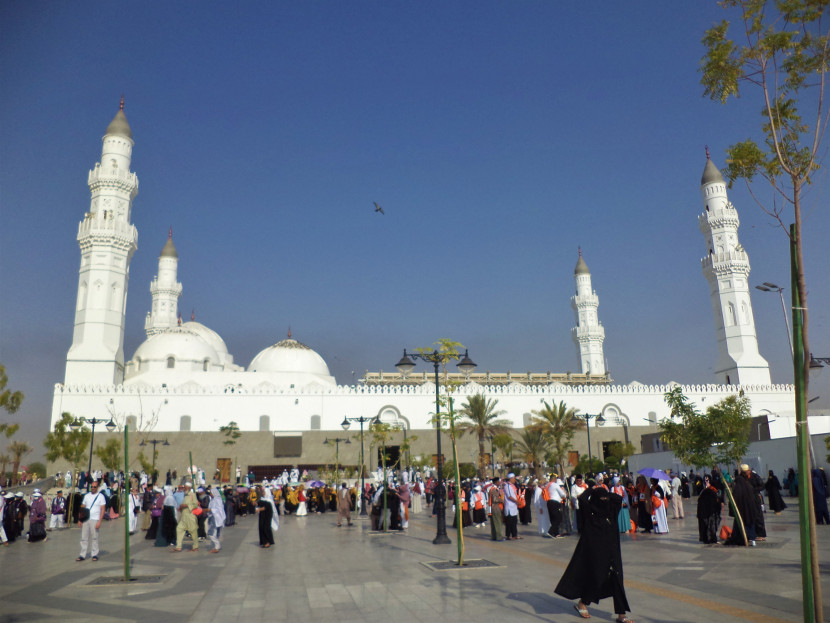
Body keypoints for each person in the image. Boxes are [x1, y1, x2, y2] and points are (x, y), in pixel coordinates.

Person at [554, 482, 634, 623]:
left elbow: (617, 498)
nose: (604, 501)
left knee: (617, 581)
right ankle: (583, 603)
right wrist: (593, 489)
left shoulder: (612, 511)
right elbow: (583, 499)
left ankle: (622, 615)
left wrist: (603, 492)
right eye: (601, 499)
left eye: (605, 499)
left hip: (613, 553)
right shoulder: (590, 513)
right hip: (596, 553)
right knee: (596, 579)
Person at [724, 465, 762, 546]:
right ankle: (752, 540)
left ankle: (743, 538)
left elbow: (734, 499)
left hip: (741, 510)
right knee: (749, 524)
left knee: (740, 525)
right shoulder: (747, 486)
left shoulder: (738, 487)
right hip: (749, 510)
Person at [77, 481, 106, 561]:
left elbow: (103, 509)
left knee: (94, 537)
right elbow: (83, 508)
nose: (93, 488)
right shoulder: (86, 496)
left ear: (97, 488)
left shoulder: (101, 496)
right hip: (86, 519)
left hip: (95, 519)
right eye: (92, 487)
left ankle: (94, 554)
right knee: (84, 537)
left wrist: (100, 521)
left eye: (94, 487)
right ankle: (82, 554)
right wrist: (80, 519)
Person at [174, 482, 199, 552]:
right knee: (179, 529)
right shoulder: (185, 495)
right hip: (184, 516)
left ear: (189, 488)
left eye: (185, 487)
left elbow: (196, 504)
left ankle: (195, 546)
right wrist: (181, 507)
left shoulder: (192, 495)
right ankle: (178, 546)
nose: (184, 488)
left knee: (193, 531)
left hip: (190, 516)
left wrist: (186, 505)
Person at [696, 475, 722, 544]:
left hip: (711, 512)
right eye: (705, 481)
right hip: (704, 512)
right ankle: (706, 538)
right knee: (705, 525)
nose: (706, 482)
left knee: (711, 525)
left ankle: (711, 538)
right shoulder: (704, 490)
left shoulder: (713, 490)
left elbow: (716, 501)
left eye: (707, 480)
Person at [207, 486, 226, 553]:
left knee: (211, 533)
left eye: (211, 493)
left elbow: (218, 509)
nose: (210, 494)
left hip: (216, 518)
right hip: (213, 518)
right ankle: (216, 546)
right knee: (214, 533)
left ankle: (217, 547)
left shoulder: (217, 500)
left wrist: (208, 510)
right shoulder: (212, 500)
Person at [502, 473, 521, 540]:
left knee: (514, 522)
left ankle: (514, 535)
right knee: (509, 522)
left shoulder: (512, 486)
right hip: (509, 506)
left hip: (514, 507)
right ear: (511, 479)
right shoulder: (507, 486)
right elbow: (509, 496)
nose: (515, 480)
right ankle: (508, 535)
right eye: (514, 478)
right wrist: (517, 501)